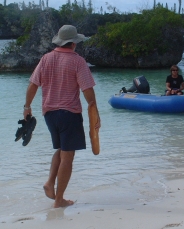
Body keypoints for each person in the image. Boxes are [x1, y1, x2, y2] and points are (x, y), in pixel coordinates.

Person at [23, 25, 101, 208]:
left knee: (61, 149)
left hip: (49, 115)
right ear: (74, 43)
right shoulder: (78, 61)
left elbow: (33, 85)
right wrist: (95, 116)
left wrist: (27, 107)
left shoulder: (46, 59)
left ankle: (50, 183)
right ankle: (59, 200)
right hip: (69, 114)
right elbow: (88, 93)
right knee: (68, 156)